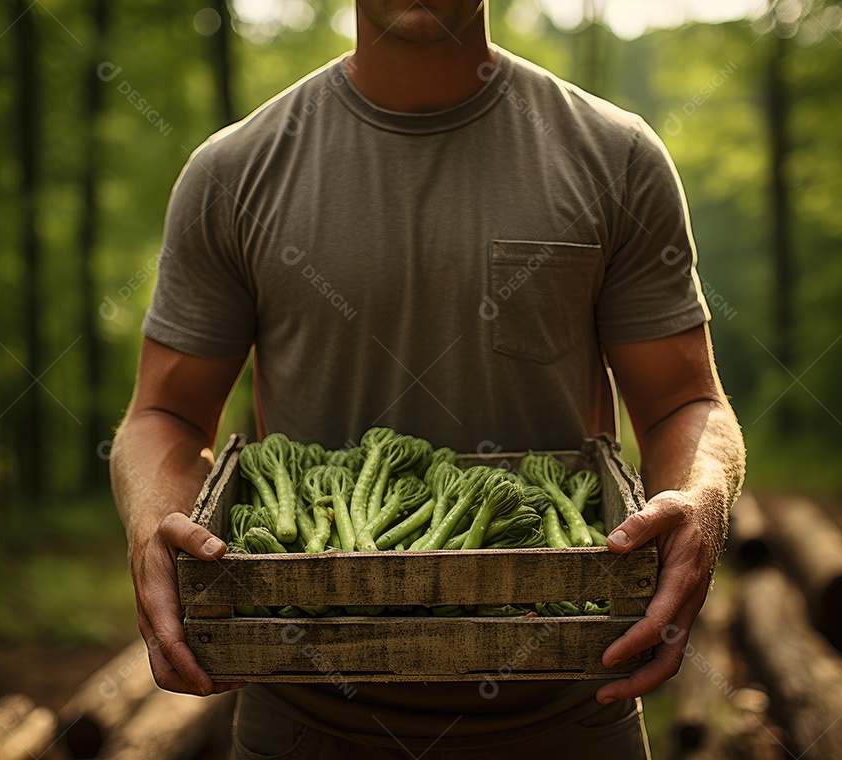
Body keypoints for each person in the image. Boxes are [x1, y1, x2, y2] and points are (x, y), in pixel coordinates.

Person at [110, 1, 746, 758]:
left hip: (573, 707)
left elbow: (684, 400)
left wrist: (702, 500)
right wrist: (152, 517)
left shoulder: (615, 155)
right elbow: (165, 415)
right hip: (305, 717)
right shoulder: (233, 171)